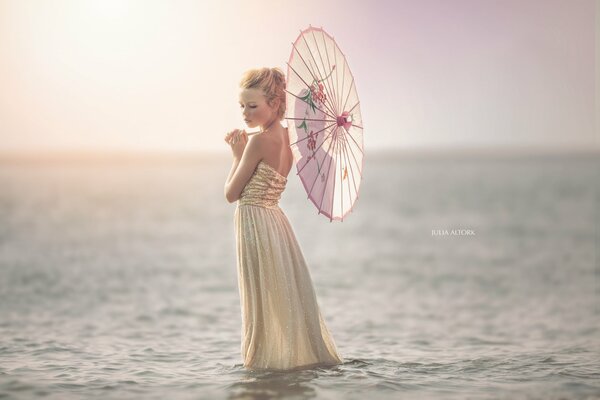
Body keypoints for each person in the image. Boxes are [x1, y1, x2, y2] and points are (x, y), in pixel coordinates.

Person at [223, 67, 344, 371]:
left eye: (253, 106)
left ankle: (266, 365)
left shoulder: (257, 143)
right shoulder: (288, 138)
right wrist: (246, 140)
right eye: (242, 106)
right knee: (277, 294)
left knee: (262, 299)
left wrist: (236, 155)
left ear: (275, 105)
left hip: (255, 221)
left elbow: (231, 192)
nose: (245, 113)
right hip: (275, 221)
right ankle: (287, 360)